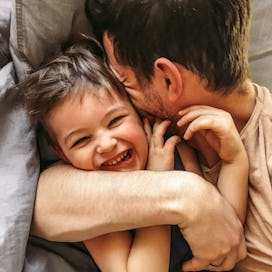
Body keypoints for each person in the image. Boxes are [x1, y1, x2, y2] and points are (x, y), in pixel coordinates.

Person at [20, 37, 249, 272]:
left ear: (138, 112)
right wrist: (157, 181)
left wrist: (234, 161)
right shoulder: (93, 208)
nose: (106, 144)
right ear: (63, 155)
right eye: (82, 140)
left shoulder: (172, 149)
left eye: (115, 120)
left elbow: (226, 232)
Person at [82, 0, 271, 271]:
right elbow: (40, 199)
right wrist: (186, 197)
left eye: (124, 82)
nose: (119, 102)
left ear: (169, 79)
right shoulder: (140, 132)